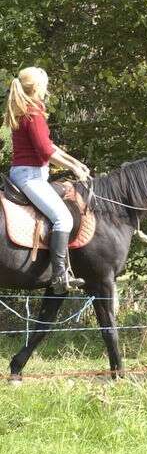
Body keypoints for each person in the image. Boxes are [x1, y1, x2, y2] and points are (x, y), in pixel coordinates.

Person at [3, 66, 90, 294]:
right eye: (46, 85)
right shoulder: (33, 113)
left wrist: (75, 163)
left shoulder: (27, 110)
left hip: (27, 173)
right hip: (31, 177)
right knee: (63, 219)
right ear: (39, 87)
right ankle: (60, 276)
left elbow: (48, 146)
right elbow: (45, 151)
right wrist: (73, 167)